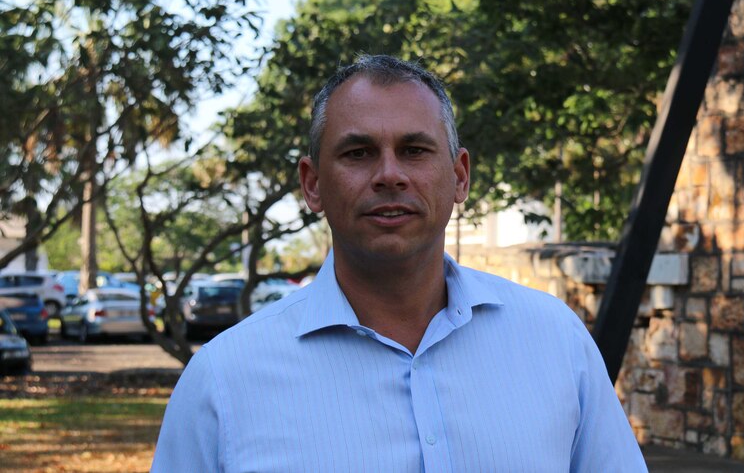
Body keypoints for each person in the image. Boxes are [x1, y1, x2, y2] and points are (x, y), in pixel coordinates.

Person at [151, 54, 647, 472]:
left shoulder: (556, 342)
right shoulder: (223, 380)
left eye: (414, 150)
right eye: (359, 152)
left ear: (459, 177)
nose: (390, 175)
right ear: (312, 184)